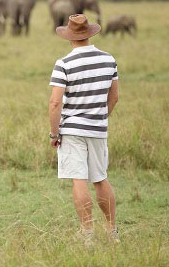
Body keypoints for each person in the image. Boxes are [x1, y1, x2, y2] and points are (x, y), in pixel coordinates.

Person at [49, 14, 120, 245]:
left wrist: (54, 132)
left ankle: (87, 232)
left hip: (71, 129)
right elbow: (115, 97)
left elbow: (55, 103)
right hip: (98, 128)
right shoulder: (109, 59)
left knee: (78, 179)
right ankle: (112, 231)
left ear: (69, 36)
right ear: (89, 33)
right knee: (100, 178)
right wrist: (99, 117)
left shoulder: (64, 63)